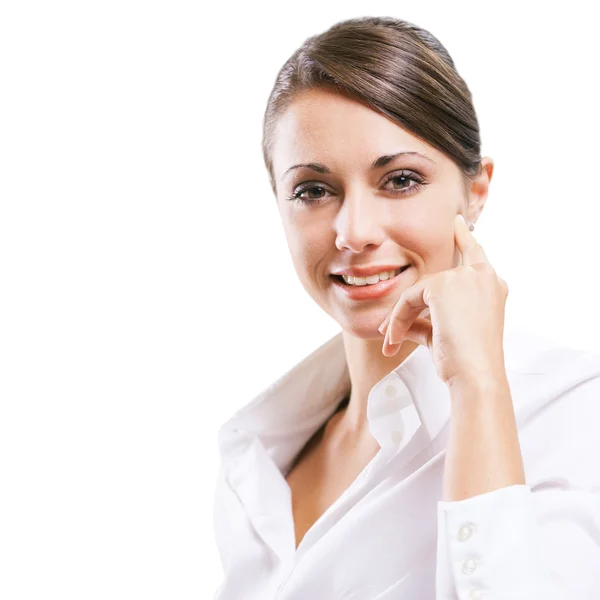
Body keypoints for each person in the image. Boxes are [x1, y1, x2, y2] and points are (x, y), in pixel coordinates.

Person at [211, 16, 600, 600]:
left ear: (475, 192)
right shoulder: (260, 452)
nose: (354, 231)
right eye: (314, 190)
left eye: (399, 180)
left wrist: (477, 385)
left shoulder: (571, 411)